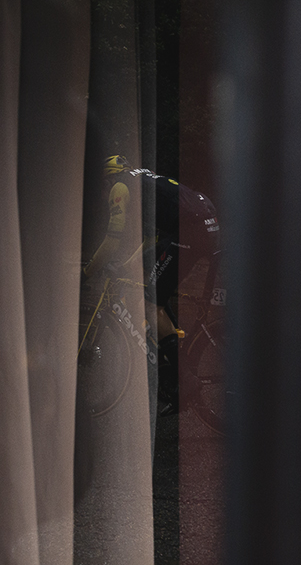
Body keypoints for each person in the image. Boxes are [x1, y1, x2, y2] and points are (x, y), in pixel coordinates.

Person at [84, 154, 222, 413]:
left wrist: (89, 271)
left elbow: (113, 238)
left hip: (191, 230)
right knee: (154, 284)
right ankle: (175, 360)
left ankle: (185, 379)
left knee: (150, 302)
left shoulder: (119, 186)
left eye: (101, 186)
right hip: (205, 221)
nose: (103, 194)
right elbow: (150, 240)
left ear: (107, 179)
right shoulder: (141, 182)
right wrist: (127, 266)